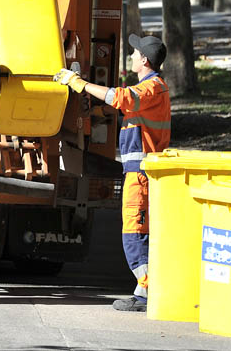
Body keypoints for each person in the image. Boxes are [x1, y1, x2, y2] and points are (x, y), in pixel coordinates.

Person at [54, 33, 170, 313]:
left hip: (141, 174)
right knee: (138, 231)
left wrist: (79, 83)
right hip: (138, 173)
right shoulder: (150, 87)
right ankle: (143, 290)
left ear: (144, 59)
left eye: (134, 52)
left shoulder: (152, 88)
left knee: (134, 233)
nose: (131, 55)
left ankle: (147, 290)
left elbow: (121, 97)